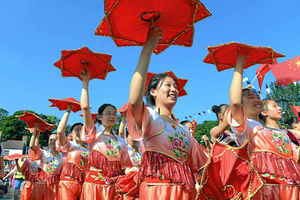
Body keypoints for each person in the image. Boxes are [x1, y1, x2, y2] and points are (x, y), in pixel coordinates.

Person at [127, 24, 208, 200]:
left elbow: (202, 167)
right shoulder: (150, 117)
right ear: (153, 92)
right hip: (156, 190)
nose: (173, 89)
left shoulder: (184, 131)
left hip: (185, 193)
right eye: (167, 85)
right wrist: (147, 50)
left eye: (175, 86)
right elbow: (134, 100)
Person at [228, 53, 300, 199]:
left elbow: (295, 155)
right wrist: (239, 66)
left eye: (258, 97)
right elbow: (235, 103)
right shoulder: (245, 126)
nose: (257, 99)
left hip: (292, 187)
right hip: (265, 188)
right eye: (250, 97)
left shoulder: (279, 133)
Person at [79, 67, 132, 200]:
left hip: (114, 188)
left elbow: (125, 166)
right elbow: (85, 108)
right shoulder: (94, 132)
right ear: (99, 117)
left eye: (114, 114)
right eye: (108, 113)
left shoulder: (121, 141)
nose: (112, 116)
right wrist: (85, 83)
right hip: (94, 186)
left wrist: (135, 171)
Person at [56, 105, 88, 200]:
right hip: (68, 183)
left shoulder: (89, 150)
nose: (79, 131)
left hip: (83, 184)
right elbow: (60, 132)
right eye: (76, 129)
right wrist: (68, 111)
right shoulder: (69, 145)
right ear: (71, 134)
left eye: (81, 129)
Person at [29, 123, 63, 200]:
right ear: (48, 142)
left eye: (55, 140)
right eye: (51, 140)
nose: (53, 141)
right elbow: (32, 146)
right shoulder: (44, 153)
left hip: (55, 183)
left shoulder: (63, 156)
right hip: (42, 181)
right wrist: (36, 131)